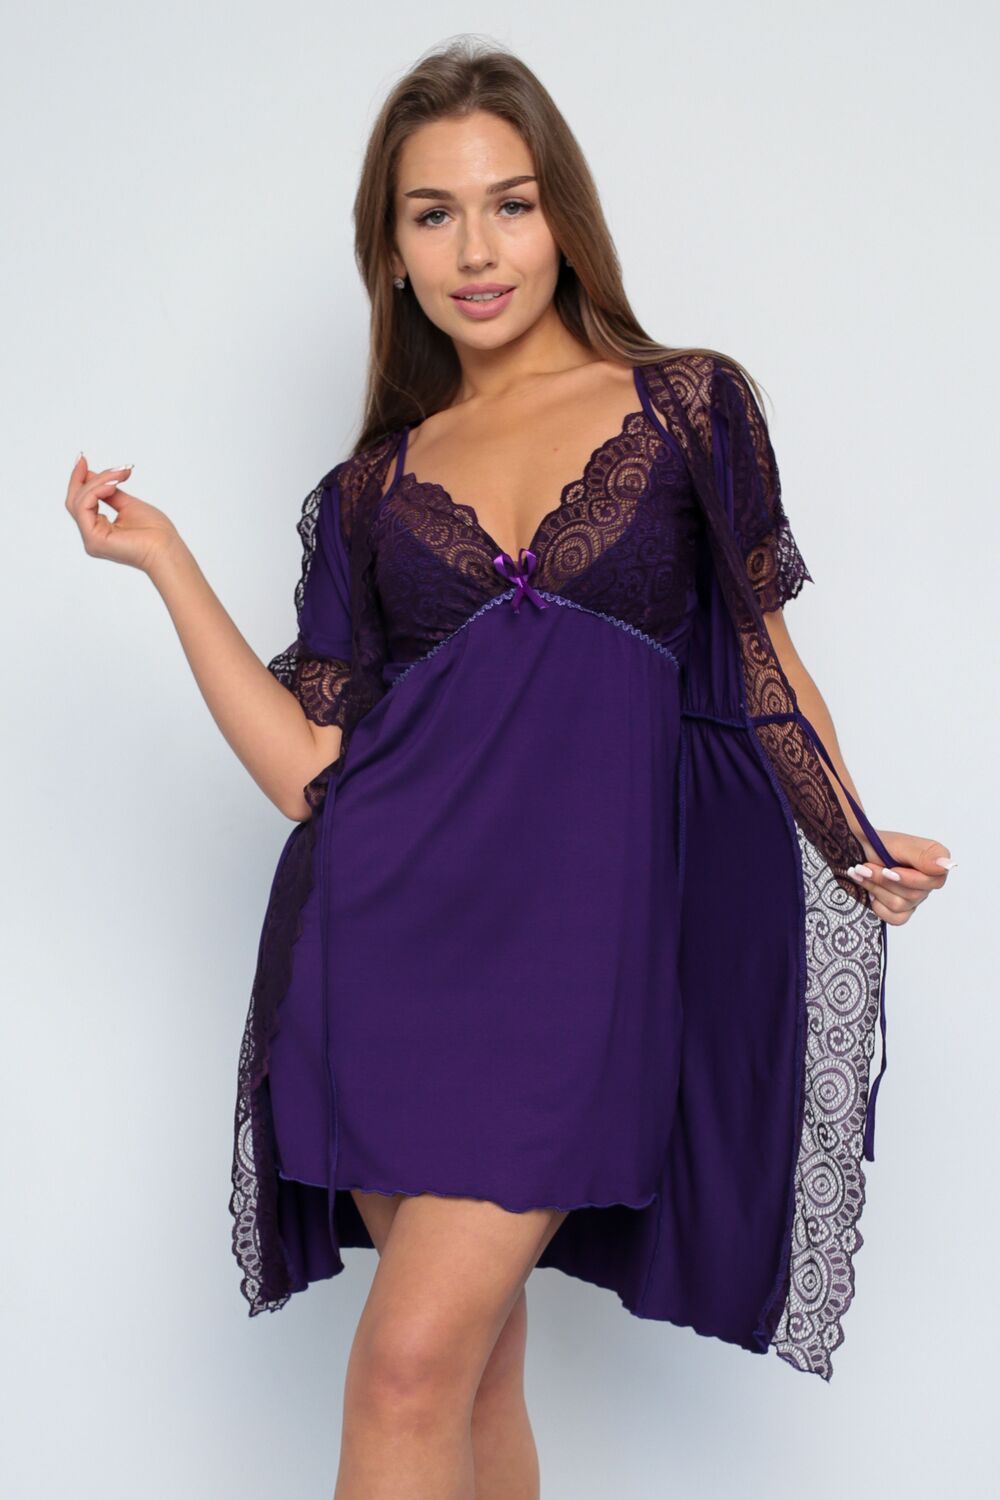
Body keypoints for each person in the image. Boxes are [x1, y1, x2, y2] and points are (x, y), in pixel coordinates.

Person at [65, 37, 954, 1500]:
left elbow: (765, 660)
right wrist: (164, 561)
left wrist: (850, 833)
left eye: (511, 204)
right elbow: (308, 771)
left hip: (577, 959)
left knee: (407, 1367)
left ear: (563, 219)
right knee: (463, 1374)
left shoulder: (689, 406)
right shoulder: (369, 491)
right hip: (382, 946)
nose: (477, 250)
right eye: (434, 214)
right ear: (392, 251)